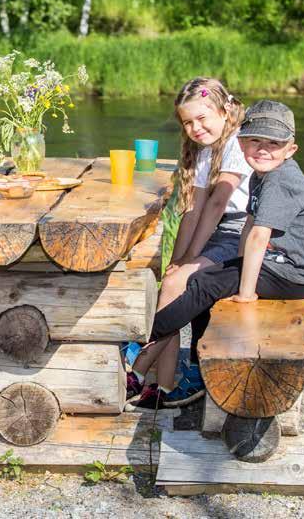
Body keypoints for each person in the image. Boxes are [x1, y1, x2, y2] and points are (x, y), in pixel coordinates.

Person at [128, 99, 304, 409]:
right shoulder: (264, 174)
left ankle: (146, 340)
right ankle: (197, 368)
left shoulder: (280, 180)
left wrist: (245, 292)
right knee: (206, 278)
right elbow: (250, 225)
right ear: (241, 142)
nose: (262, 149)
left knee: (207, 285)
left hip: (295, 273)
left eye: (273, 143)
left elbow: (260, 236)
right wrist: (234, 267)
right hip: (281, 265)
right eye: (255, 141)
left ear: (290, 149)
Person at [125, 77, 252, 407]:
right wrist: (177, 261)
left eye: (202, 118)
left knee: (179, 282)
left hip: (239, 233)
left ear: (224, 111)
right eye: (188, 123)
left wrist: (189, 262)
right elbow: (193, 210)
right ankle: (162, 386)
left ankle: (137, 372)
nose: (195, 128)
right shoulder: (205, 149)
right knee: (171, 281)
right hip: (216, 228)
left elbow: (216, 204)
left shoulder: (238, 143)